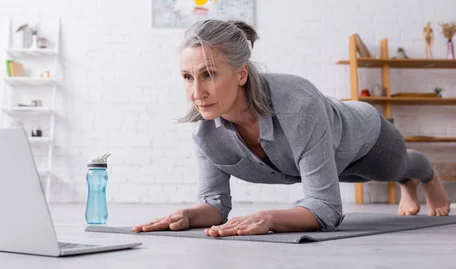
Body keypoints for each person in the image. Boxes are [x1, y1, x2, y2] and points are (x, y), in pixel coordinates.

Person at [131, 19, 451, 237]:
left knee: (394, 168)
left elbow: (326, 209)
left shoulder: (298, 105)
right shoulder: (205, 132)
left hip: (366, 139)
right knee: (352, 173)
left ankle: (424, 176)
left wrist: (269, 218)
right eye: (187, 77)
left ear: (241, 74)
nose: (196, 92)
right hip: (318, 162)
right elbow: (215, 205)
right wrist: (187, 215)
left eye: (209, 74)